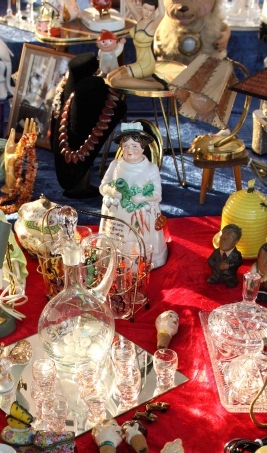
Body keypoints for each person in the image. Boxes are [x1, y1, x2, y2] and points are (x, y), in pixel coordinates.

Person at [100, 121, 168, 268]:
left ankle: (145, 258)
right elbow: (102, 187)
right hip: (117, 219)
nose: (129, 150)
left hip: (142, 217)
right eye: (125, 146)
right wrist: (111, 191)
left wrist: (143, 198)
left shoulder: (151, 168)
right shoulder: (115, 165)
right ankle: (114, 256)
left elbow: (157, 195)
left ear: (143, 148)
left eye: (135, 146)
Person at [107, 0, 164, 89]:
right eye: (145, 8)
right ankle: (148, 79)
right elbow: (129, 3)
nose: (147, 12)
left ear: (154, 11)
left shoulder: (152, 25)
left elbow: (162, 14)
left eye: (150, 10)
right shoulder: (140, 19)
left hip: (146, 64)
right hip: (139, 62)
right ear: (142, 6)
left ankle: (158, 86)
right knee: (109, 76)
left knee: (115, 81)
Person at [207, 223, 242, 288]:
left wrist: (229, 266)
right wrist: (217, 267)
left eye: (229, 238)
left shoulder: (236, 255)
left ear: (236, 241)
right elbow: (210, 260)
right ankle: (216, 278)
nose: (224, 240)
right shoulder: (217, 251)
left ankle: (230, 281)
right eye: (222, 237)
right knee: (210, 280)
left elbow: (238, 263)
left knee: (231, 284)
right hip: (216, 274)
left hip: (229, 276)